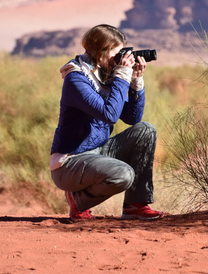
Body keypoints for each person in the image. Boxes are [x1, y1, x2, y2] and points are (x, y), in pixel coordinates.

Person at [50, 24, 164, 220]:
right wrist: (122, 76)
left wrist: (136, 80)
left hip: (98, 153)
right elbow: (109, 115)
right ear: (102, 52)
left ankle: (135, 205)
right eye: (117, 53)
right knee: (123, 175)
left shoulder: (105, 76)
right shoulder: (76, 79)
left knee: (145, 130)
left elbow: (132, 119)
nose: (122, 58)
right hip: (70, 163)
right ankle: (78, 200)